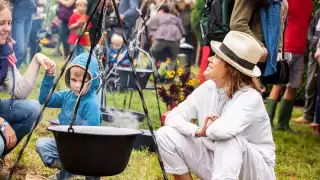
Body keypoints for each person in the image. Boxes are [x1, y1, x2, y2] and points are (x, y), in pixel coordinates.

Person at [156, 31, 276, 180]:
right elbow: (172, 117)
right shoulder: (209, 88)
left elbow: (222, 132)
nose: (210, 59)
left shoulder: (250, 97)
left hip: (255, 172)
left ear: (231, 69)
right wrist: (199, 131)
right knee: (165, 134)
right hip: (219, 163)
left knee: (228, 139)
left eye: (218, 57)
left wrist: (212, 127)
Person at [0, 0, 57, 176]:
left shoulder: (4, 52)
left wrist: (37, 60)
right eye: (1, 23)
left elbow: (20, 91)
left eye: (9, 23)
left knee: (33, 110)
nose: (7, 28)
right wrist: (2, 124)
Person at [36, 52, 101, 179]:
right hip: (66, 146)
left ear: (92, 81)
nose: (77, 85)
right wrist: (49, 77)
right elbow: (45, 99)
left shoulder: (91, 104)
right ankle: (69, 169)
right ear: (68, 78)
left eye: (82, 81)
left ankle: (79, 169)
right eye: (73, 80)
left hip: (85, 150)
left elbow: (92, 134)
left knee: (94, 162)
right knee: (41, 145)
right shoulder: (67, 96)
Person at [266, 0, 312, 132]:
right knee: (278, 83)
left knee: (293, 86)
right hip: (286, 46)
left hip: (300, 49)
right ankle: (267, 122)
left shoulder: (308, 3)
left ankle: (282, 124)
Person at [294, 1, 320, 125]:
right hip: (314, 53)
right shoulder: (318, 13)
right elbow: (310, 31)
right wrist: (313, 46)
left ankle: (317, 118)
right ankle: (308, 115)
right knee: (310, 84)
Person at [147, 4, 185, 78]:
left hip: (161, 38)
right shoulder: (175, 18)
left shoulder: (158, 16)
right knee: (173, 57)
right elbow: (182, 31)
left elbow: (148, 24)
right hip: (175, 38)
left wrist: (153, 34)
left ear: (161, 11)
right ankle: (168, 77)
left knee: (152, 53)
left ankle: (154, 73)